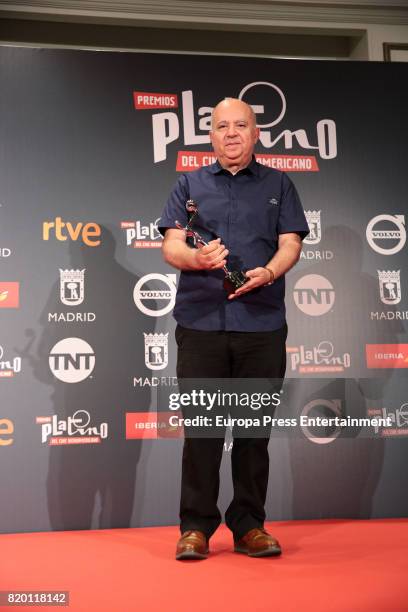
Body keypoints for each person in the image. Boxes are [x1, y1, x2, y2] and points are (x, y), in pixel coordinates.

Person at [159, 97, 309, 560]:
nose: (230, 134)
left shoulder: (279, 184)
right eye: (221, 126)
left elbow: (290, 244)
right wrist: (196, 258)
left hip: (261, 324)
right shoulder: (189, 182)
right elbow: (171, 246)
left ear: (255, 132)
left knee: (252, 432)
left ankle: (249, 526)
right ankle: (196, 528)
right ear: (211, 135)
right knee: (202, 431)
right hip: (201, 323)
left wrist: (270, 270)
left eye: (240, 125)